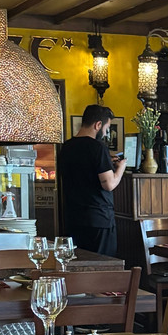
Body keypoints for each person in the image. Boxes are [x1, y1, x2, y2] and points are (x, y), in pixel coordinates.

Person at [57, 104, 126, 257]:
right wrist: (121, 167)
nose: (106, 133)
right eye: (106, 128)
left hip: (73, 218)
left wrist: (106, 163)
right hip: (98, 219)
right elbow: (109, 184)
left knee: (78, 263)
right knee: (103, 265)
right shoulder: (98, 148)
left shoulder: (66, 147)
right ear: (98, 125)